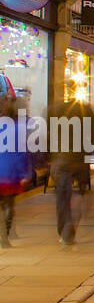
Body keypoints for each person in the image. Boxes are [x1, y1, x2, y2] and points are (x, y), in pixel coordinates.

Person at [48, 96, 94, 244]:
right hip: (79, 159)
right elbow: (93, 137)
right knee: (81, 195)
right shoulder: (85, 110)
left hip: (61, 159)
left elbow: (48, 136)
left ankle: (65, 227)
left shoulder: (55, 110)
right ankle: (72, 222)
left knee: (62, 196)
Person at [0, 95, 33, 248]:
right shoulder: (18, 128)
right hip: (10, 173)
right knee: (9, 205)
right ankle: (5, 236)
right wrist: (25, 174)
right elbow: (22, 154)